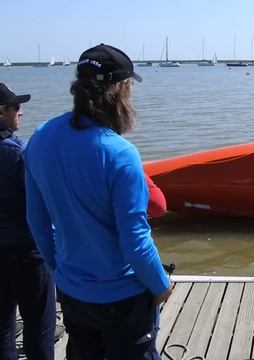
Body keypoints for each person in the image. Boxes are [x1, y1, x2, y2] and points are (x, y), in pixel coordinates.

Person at [24, 44, 172, 359]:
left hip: (73, 292)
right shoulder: (119, 153)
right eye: (129, 88)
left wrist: (60, 270)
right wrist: (160, 285)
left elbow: (37, 221)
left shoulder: (40, 138)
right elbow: (134, 238)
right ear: (120, 89)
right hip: (124, 299)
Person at [0, 83, 56, 360]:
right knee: (40, 326)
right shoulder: (19, 152)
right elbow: (46, 201)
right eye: (16, 107)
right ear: (2, 112)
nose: (20, 113)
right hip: (26, 251)